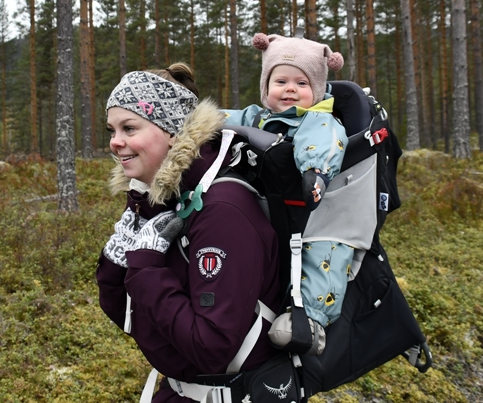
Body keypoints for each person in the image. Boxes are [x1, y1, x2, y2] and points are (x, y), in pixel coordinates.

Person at [96, 63, 281, 402]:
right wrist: (118, 258)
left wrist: (146, 266)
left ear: (172, 131)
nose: (115, 142)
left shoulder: (223, 211)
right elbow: (128, 314)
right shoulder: (167, 199)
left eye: (129, 128)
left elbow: (211, 348)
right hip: (182, 392)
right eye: (112, 130)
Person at [222, 30, 352, 352]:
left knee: (324, 252)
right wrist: (194, 124)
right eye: (280, 82)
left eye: (302, 83)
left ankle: (311, 319)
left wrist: (315, 171)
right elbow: (224, 119)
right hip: (266, 203)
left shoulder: (319, 118)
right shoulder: (257, 116)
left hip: (313, 207)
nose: (290, 89)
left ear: (317, 90)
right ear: (267, 88)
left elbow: (323, 140)